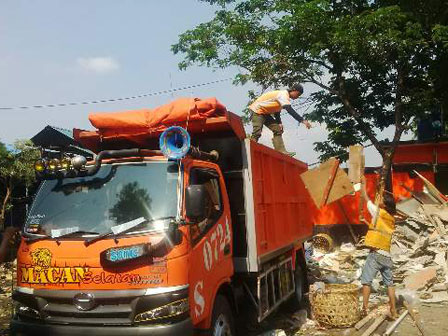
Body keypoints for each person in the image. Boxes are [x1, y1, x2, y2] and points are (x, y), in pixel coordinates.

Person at [360, 176, 398, 319]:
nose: (379, 200)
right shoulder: (390, 218)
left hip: (376, 254)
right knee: (390, 284)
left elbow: (364, 197)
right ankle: (394, 310)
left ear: (384, 204)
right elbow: (379, 229)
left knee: (366, 281)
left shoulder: (378, 212)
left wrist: (363, 184)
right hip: (386, 255)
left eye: (381, 199)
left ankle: (364, 310)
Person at [249, 84, 311, 156]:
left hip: (265, 113)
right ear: (293, 90)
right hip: (257, 110)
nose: (297, 97)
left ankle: (281, 151)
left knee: (278, 129)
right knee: (257, 131)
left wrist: (279, 122)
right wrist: (302, 120)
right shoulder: (283, 94)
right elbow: (290, 110)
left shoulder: (284, 98)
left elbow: (277, 111)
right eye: (298, 94)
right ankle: (250, 148)